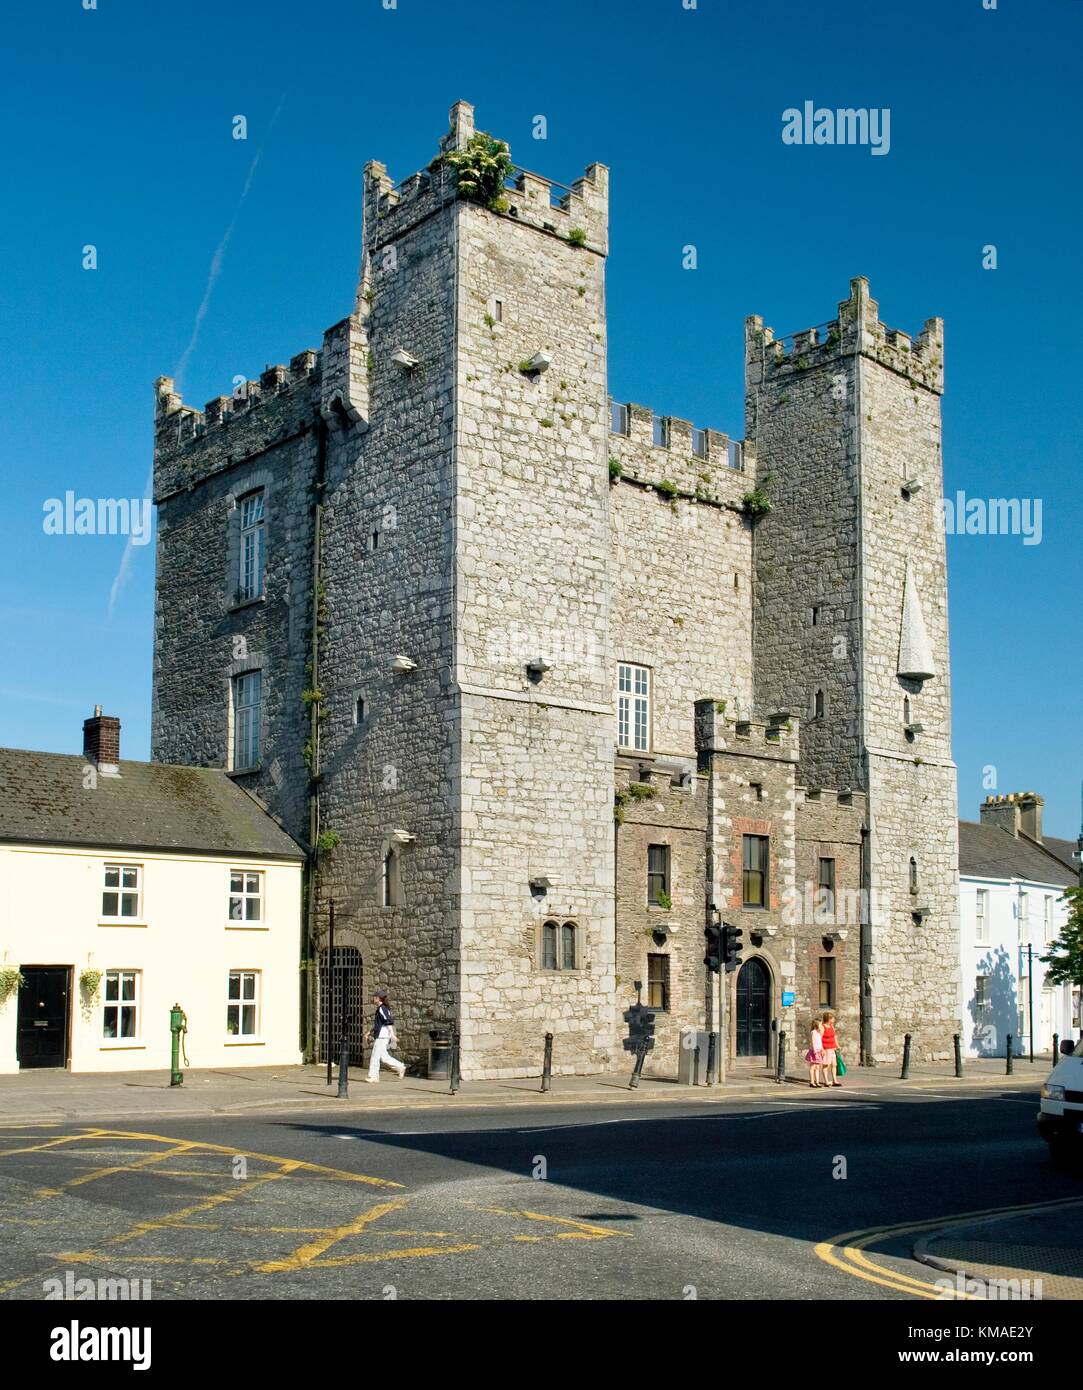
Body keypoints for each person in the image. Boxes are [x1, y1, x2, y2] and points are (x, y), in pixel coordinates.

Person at [365, 990, 406, 1083]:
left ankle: (374, 1076)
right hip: (382, 1036)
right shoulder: (381, 1008)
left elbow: (388, 1022)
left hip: (382, 1036)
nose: (373, 998)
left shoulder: (381, 1009)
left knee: (375, 1056)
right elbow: (379, 1024)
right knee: (384, 1057)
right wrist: (369, 1032)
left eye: (374, 996)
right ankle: (400, 1067)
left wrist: (392, 1035)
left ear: (378, 998)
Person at [821, 1010, 841, 1087]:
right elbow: (820, 1038)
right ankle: (826, 1081)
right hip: (826, 1048)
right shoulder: (823, 1027)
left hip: (832, 1048)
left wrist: (837, 1045)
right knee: (826, 1065)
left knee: (834, 1064)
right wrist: (822, 1049)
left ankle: (835, 1080)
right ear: (828, 1019)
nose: (833, 1020)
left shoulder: (832, 1026)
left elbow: (834, 1036)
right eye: (832, 1018)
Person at [806, 1016, 826, 1088]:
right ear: (816, 1025)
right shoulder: (813, 1032)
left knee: (817, 1067)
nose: (821, 1026)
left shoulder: (818, 1033)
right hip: (814, 1051)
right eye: (820, 1025)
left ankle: (817, 1082)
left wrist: (822, 1049)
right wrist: (814, 1050)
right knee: (813, 1066)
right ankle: (812, 1082)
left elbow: (820, 1042)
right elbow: (813, 1042)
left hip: (819, 1051)